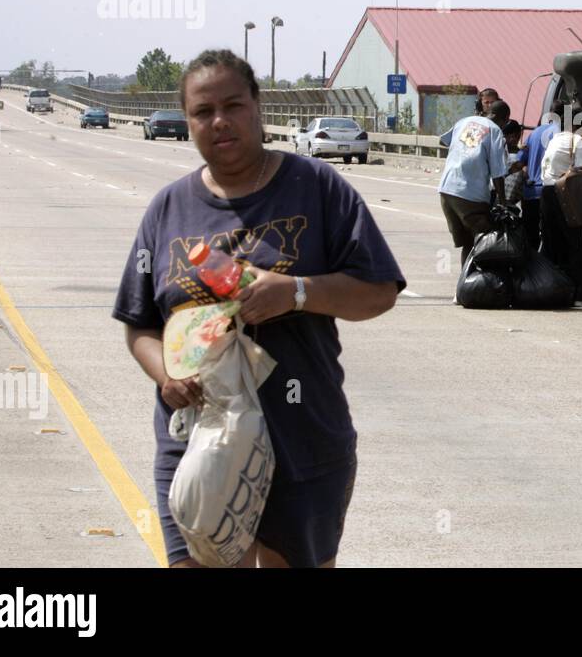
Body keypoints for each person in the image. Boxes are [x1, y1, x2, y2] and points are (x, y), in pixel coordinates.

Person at [112, 49, 405, 569]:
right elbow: (140, 325)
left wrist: (296, 292)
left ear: (258, 108)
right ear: (188, 120)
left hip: (303, 437)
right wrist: (167, 375)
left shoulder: (317, 187)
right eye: (203, 111)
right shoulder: (168, 208)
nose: (219, 120)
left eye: (233, 105)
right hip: (199, 440)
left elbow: (379, 289)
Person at [438, 99, 510, 266]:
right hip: (469, 193)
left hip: (447, 189)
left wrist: (464, 149)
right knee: (487, 240)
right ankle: (480, 286)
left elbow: (442, 141)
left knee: (469, 243)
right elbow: (498, 173)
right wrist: (504, 203)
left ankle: (465, 287)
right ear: (504, 119)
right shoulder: (495, 131)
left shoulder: (464, 121)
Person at [540, 105, 582, 307]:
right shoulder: (577, 140)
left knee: (552, 243)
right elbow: (580, 170)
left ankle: (550, 290)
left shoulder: (555, 139)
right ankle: (581, 296)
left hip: (546, 193)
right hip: (565, 195)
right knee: (577, 244)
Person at [520, 98, 562, 251]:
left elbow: (520, 160)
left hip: (530, 191)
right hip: (550, 192)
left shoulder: (534, 133)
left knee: (530, 238)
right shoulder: (562, 133)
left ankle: (531, 272)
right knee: (551, 237)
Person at [501, 119, 525, 208]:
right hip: (501, 197)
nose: (516, 139)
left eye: (518, 136)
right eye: (515, 136)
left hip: (509, 200)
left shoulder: (521, 154)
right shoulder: (500, 150)